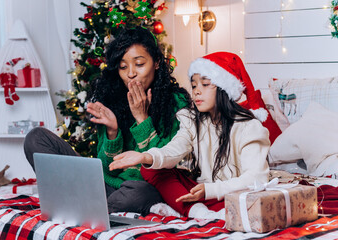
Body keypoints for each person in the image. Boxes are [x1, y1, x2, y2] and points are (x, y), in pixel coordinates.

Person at [24, 27, 190, 216]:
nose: (131, 73)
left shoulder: (176, 102)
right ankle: (92, 205)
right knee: (35, 138)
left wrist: (142, 119)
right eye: (123, 66)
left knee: (140, 193)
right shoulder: (113, 99)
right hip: (106, 187)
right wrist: (112, 133)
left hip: (146, 187)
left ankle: (83, 207)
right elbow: (105, 168)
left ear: (157, 63)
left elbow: (165, 164)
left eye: (139, 64)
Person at [109, 52, 271, 219]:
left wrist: (209, 191)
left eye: (205, 84)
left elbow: (255, 178)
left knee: (245, 199)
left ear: (225, 88)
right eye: (194, 86)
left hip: (230, 196)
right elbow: (174, 149)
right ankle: (200, 213)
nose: (196, 92)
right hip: (200, 195)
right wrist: (145, 157)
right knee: (151, 170)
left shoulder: (249, 127)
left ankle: (191, 211)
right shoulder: (192, 121)